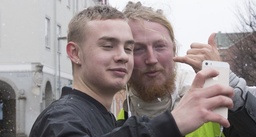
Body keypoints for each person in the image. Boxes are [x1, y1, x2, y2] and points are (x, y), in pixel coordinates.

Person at [29, 4, 234, 137]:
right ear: (75, 53)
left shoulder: (104, 117)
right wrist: (173, 123)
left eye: (128, 48)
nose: (122, 56)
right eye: (108, 46)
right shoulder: (61, 118)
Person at [117, 1, 256, 137]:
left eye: (160, 46)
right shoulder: (118, 121)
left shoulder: (212, 102)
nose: (151, 59)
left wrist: (232, 87)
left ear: (174, 50)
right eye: (138, 49)